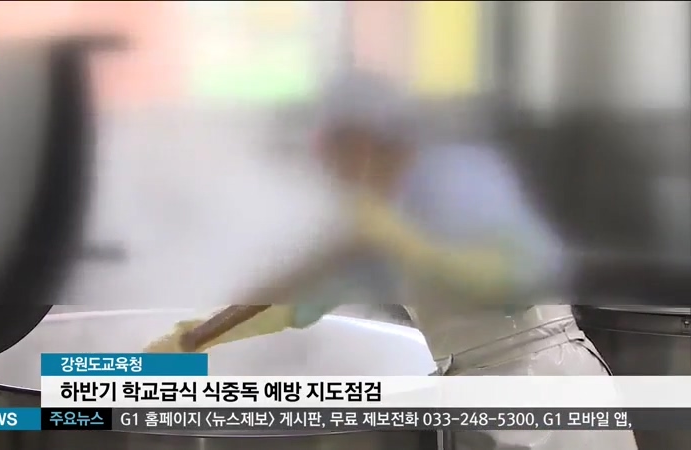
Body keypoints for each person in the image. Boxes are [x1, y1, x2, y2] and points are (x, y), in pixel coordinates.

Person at [146, 70, 639, 450]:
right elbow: (294, 300)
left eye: (339, 151)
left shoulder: (461, 181)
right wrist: (195, 338)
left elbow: (516, 283)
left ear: (372, 138)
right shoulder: (375, 212)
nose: (335, 172)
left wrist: (401, 239)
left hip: (549, 386)